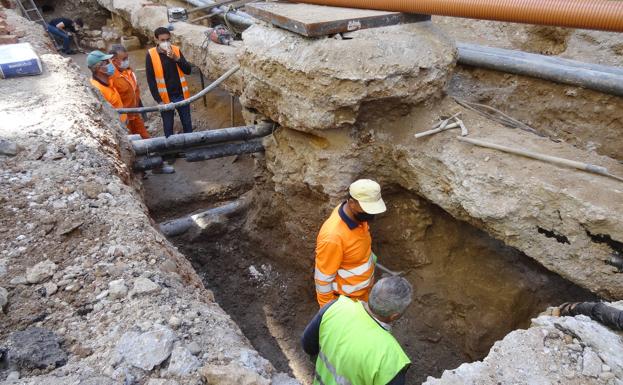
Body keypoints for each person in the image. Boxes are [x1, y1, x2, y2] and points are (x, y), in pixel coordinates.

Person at [302, 276, 413, 385]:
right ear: (394, 316)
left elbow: (307, 345)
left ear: (372, 293)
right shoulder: (391, 358)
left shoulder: (335, 307)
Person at [314, 179, 386, 307]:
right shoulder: (333, 237)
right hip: (347, 303)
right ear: (352, 203)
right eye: (368, 209)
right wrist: (329, 312)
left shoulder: (357, 217)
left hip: (363, 294)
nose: (372, 215)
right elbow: (323, 281)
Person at [145, 27, 193, 138]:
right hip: (165, 98)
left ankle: (191, 148)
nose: (166, 43)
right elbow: (151, 80)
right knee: (168, 127)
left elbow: (188, 70)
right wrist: (159, 100)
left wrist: (176, 59)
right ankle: (171, 152)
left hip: (181, 95)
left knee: (187, 124)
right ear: (156, 40)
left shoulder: (175, 50)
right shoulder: (151, 55)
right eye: (162, 40)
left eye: (168, 40)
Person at [109, 45, 150, 139]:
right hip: (124, 119)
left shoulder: (128, 70)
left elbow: (135, 90)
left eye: (127, 57)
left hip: (135, 114)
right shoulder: (111, 77)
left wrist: (141, 109)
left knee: (145, 138)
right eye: (124, 59)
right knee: (131, 143)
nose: (127, 60)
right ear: (114, 60)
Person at [86, 50, 127, 125]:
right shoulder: (98, 89)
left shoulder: (108, 80)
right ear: (99, 68)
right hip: (119, 125)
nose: (111, 64)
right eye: (107, 62)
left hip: (124, 120)